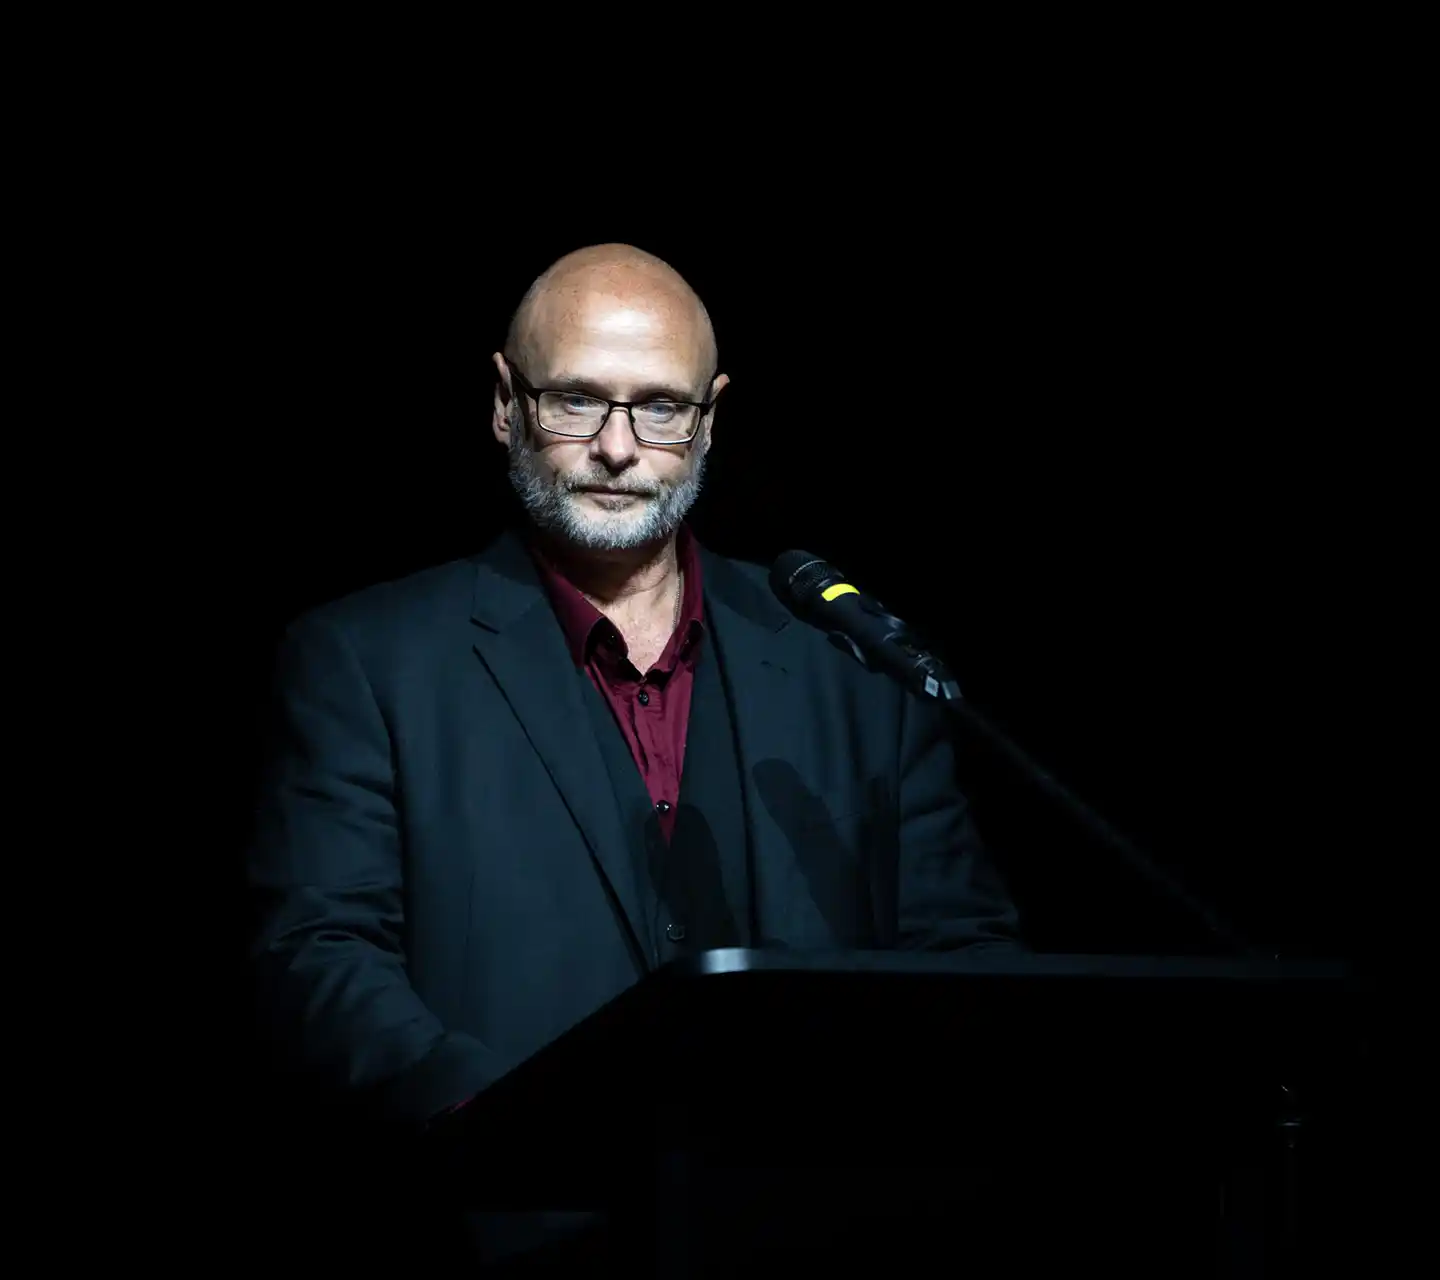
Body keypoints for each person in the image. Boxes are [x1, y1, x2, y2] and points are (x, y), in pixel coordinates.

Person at [244, 243, 1022, 1268]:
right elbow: (319, 951)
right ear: (503, 404)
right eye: (576, 400)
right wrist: (506, 1117)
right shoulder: (366, 657)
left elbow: (962, 958)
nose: (620, 446)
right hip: (503, 1242)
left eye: (660, 407)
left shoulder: (849, 665)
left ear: (711, 416)